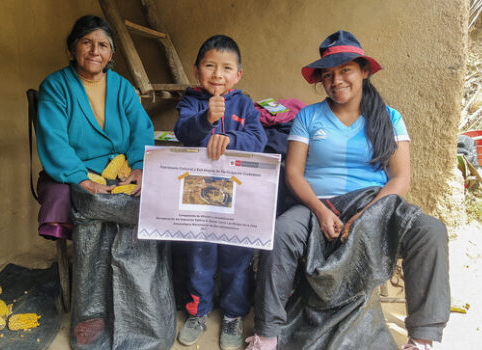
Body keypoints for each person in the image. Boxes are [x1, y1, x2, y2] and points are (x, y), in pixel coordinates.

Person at [245, 31, 450, 350]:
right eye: (328, 75)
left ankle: (421, 338)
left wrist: (366, 217)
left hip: (374, 204)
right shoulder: (308, 116)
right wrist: (321, 210)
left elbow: (400, 178)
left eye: (345, 71)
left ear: (364, 72)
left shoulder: (389, 117)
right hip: (318, 205)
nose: (336, 80)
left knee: (430, 231)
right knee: (282, 231)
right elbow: (295, 174)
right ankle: (267, 332)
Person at [173, 34, 268, 350]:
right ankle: (198, 312)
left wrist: (231, 140)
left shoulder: (244, 105)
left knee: (235, 258)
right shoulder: (190, 102)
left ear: (238, 75)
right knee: (200, 256)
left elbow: (258, 140)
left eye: (226, 68)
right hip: (198, 199)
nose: (217, 74)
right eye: (209, 66)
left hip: (236, 202)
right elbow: (184, 134)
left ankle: (232, 314)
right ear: (197, 70)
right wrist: (206, 119)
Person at [35, 15, 153, 240]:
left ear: (111, 54)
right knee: (81, 200)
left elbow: (141, 129)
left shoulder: (122, 87)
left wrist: (139, 167)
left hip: (120, 168)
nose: (94, 51)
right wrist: (82, 180)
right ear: (73, 47)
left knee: (153, 194)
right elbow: (54, 140)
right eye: (86, 42)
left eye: (103, 45)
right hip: (75, 168)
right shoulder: (55, 86)